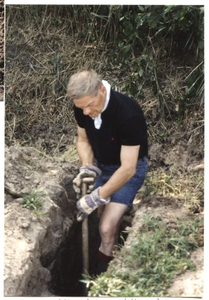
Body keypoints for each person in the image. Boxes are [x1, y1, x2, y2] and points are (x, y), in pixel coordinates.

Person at [67, 70, 148, 274]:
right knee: (102, 214)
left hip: (129, 170)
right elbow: (83, 140)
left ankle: (103, 275)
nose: (85, 112)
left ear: (101, 90)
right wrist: (87, 166)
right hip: (102, 165)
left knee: (105, 227)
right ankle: (110, 240)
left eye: (89, 106)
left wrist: (97, 196)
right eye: (81, 107)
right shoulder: (83, 107)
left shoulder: (128, 114)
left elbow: (128, 168)